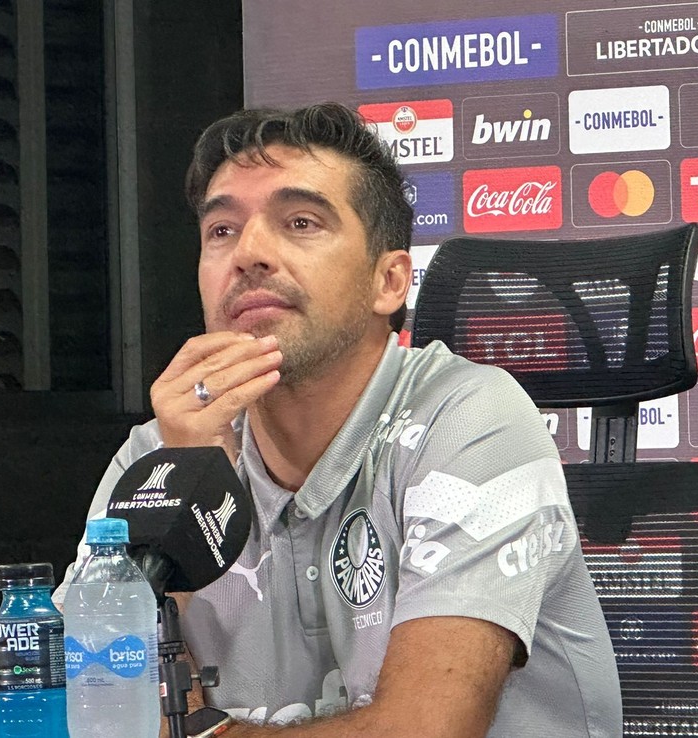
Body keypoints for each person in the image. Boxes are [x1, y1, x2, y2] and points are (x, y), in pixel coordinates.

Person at [55, 102, 622, 737]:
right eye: (221, 230)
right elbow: (92, 704)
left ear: (389, 282)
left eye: (301, 222)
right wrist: (180, 486)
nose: (248, 253)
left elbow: (424, 730)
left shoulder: (471, 417)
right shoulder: (156, 454)